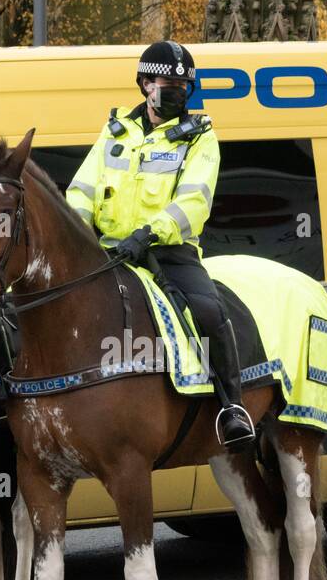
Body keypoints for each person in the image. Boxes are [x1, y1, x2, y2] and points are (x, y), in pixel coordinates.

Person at [65, 40, 254, 451]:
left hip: (168, 252)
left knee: (208, 311)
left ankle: (232, 407)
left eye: (182, 86)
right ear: (145, 84)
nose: (175, 92)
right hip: (108, 251)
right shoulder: (116, 130)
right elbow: (81, 190)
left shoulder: (199, 138)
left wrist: (149, 233)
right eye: (167, 84)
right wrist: (77, 234)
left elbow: (194, 201)